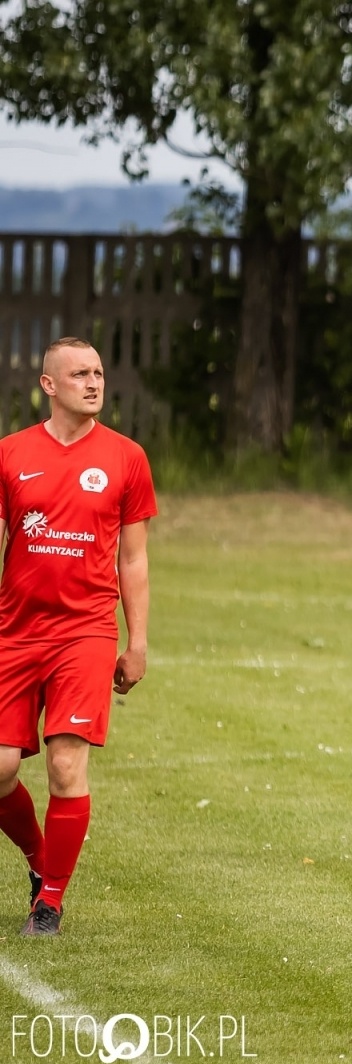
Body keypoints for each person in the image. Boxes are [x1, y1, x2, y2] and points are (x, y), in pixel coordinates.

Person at [0, 337, 157, 936]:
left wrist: (135, 641)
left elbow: (135, 561)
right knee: (1, 770)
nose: (94, 383)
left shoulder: (126, 458)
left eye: (98, 373)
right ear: (48, 385)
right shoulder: (11, 454)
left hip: (85, 633)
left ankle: (51, 903)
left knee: (67, 767)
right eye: (79, 374)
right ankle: (40, 862)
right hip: (14, 631)